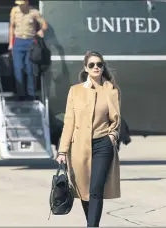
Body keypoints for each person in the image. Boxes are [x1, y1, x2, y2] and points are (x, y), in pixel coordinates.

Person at [56, 51, 121, 227]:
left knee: (95, 190)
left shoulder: (111, 91)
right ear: (86, 68)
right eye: (92, 65)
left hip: (103, 145)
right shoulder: (75, 91)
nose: (96, 68)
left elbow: (116, 119)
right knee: (84, 191)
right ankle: (91, 223)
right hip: (79, 147)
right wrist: (62, 150)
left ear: (103, 66)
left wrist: (112, 136)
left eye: (99, 64)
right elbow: (69, 122)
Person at [8, 0, 48, 100]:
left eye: (22, 3)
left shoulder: (34, 12)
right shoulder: (14, 11)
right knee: (18, 68)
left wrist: (41, 30)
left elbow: (44, 24)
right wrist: (10, 43)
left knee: (30, 69)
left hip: (30, 42)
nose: (20, 6)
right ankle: (20, 94)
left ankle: (31, 94)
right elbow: (11, 27)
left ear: (27, 2)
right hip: (18, 42)